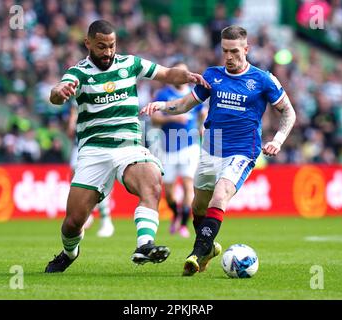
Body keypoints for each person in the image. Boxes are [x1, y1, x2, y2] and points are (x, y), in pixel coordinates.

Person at [45, 19, 210, 273]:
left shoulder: (130, 64)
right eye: (101, 46)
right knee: (73, 222)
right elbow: (56, 95)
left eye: (111, 46)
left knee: (152, 181)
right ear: (87, 43)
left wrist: (186, 76)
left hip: (128, 145)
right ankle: (69, 252)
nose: (108, 52)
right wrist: (60, 90)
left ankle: (145, 245)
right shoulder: (78, 73)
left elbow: (165, 73)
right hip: (93, 151)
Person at [140, 25, 296, 276]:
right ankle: (210, 248)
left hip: (243, 151)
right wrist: (161, 105)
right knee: (198, 206)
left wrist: (277, 140)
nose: (229, 57)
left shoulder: (263, 79)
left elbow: (288, 111)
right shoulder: (212, 76)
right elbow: (184, 105)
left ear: (247, 49)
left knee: (220, 194)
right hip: (211, 149)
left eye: (235, 51)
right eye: (225, 51)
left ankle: (197, 253)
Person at [150, 62, 207, 238]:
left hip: (190, 145)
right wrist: (171, 118)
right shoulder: (163, 94)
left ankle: (183, 223)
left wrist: (203, 125)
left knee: (189, 184)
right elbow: (154, 120)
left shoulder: (194, 93)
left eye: (185, 71)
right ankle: (176, 214)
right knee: (168, 192)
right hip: (168, 147)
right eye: (179, 72)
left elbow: (203, 114)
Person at [67, 106, 115, 238]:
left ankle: (106, 220)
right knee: (75, 180)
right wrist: (73, 121)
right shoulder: (78, 95)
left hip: (97, 145)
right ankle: (86, 216)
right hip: (80, 146)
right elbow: (71, 131)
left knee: (100, 184)